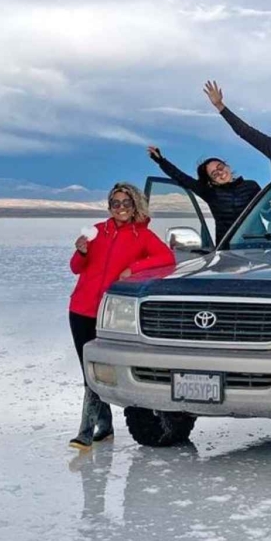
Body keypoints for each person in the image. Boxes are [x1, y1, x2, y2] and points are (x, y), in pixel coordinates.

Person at [67, 182, 175, 450]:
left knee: (96, 372)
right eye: (115, 203)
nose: (121, 208)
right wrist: (81, 252)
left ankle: (85, 432)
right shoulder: (96, 231)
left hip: (110, 313)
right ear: (109, 206)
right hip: (80, 309)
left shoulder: (143, 235)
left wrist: (133, 268)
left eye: (126, 203)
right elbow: (75, 268)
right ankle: (104, 426)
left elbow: (167, 258)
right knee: (88, 371)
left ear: (134, 205)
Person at [146, 146, 262, 240]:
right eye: (214, 174)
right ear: (212, 181)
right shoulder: (211, 193)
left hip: (259, 242)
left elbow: (267, 212)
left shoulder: (251, 186)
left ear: (228, 166)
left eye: (220, 167)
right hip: (228, 248)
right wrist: (161, 160)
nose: (220, 173)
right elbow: (182, 178)